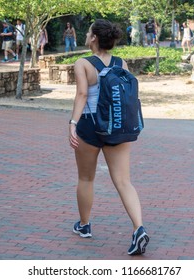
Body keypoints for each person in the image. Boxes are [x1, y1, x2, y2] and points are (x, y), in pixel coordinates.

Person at [69, 19, 149, 255]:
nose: (86, 34)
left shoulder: (82, 63)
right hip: (118, 128)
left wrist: (72, 123)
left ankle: (84, 226)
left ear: (94, 38)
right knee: (124, 181)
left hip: (90, 127)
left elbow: (82, 94)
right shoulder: (120, 62)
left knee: (86, 178)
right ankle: (138, 228)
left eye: (88, 32)